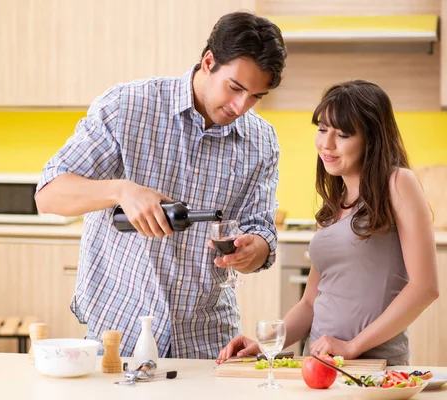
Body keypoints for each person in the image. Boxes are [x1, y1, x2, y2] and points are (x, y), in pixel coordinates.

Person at [35, 11, 287, 359]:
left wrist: (252, 250)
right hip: (120, 332)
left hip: (208, 341)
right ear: (208, 61)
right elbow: (48, 195)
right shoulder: (127, 107)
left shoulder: (261, 141)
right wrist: (121, 190)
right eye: (235, 88)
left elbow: (261, 231)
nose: (240, 106)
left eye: (256, 96)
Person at [217, 80, 439, 366]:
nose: (326, 144)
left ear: (371, 138)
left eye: (343, 134)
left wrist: (352, 346)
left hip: (374, 366)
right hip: (320, 363)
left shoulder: (398, 184)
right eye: (322, 129)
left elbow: (425, 288)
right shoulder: (333, 207)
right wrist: (265, 344)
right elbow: (310, 303)